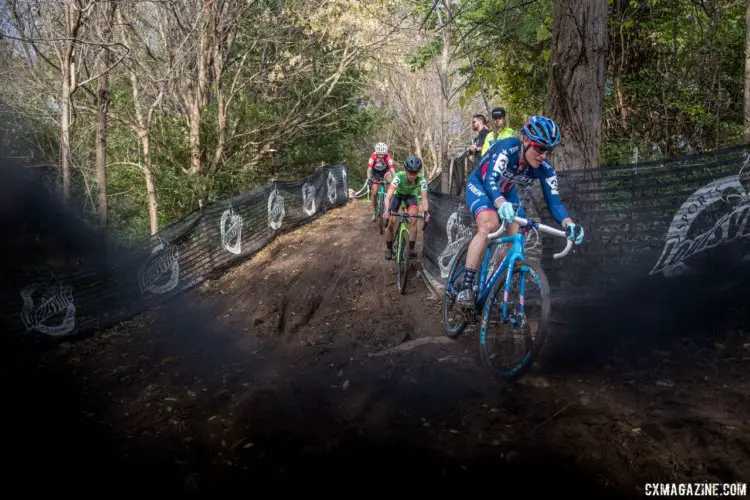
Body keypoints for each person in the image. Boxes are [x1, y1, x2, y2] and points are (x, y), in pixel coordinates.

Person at [456, 115, 585, 309]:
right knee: (489, 224)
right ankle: (466, 286)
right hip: (481, 186)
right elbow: (491, 180)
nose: (543, 155)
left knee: (517, 239)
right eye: (540, 148)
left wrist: (568, 224)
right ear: (525, 140)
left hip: (507, 192)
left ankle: (493, 282)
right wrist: (499, 203)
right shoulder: (508, 148)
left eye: (548, 150)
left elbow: (555, 202)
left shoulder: (545, 169)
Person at [383, 155, 431, 260]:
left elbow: (424, 198)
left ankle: (411, 250)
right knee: (391, 221)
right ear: (405, 170)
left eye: (415, 173)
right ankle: (389, 249)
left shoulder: (421, 179)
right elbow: (388, 197)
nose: (412, 176)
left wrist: (426, 211)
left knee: (413, 220)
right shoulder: (398, 176)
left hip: (411, 196)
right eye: (410, 173)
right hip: (397, 195)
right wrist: (387, 210)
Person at [366, 142, 396, 222]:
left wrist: (395, 180)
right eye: (379, 154)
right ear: (376, 152)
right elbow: (369, 169)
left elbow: (392, 169)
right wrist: (369, 179)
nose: (381, 156)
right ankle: (375, 211)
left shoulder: (388, 156)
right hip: (376, 173)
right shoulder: (373, 156)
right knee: (374, 192)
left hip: (385, 171)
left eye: (383, 154)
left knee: (390, 180)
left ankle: (388, 208)